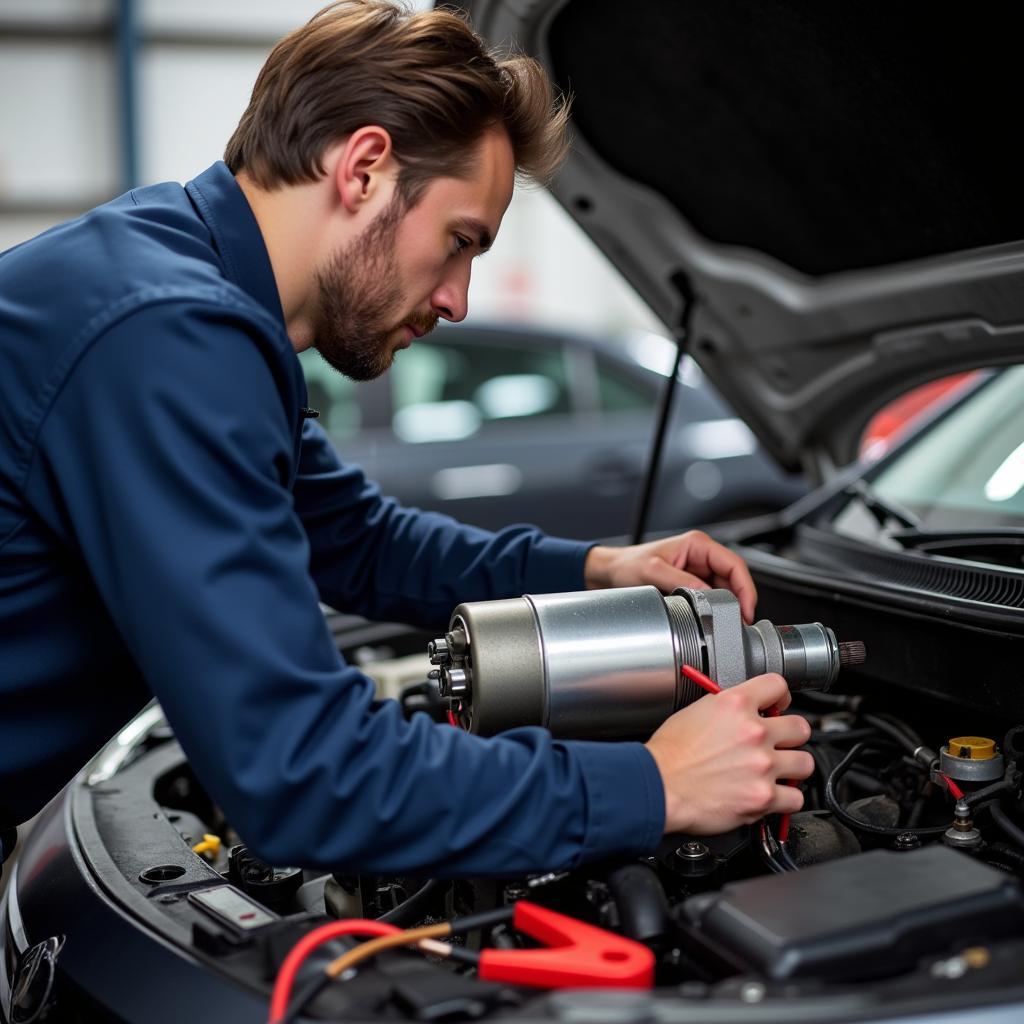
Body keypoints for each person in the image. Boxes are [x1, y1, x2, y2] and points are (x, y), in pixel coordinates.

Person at [0, 0, 812, 876]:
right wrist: (656, 784)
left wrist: (594, 572)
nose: (459, 299)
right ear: (365, 169)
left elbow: (357, 540)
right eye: (460, 242)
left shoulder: (184, 283)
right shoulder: (166, 336)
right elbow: (303, 775)